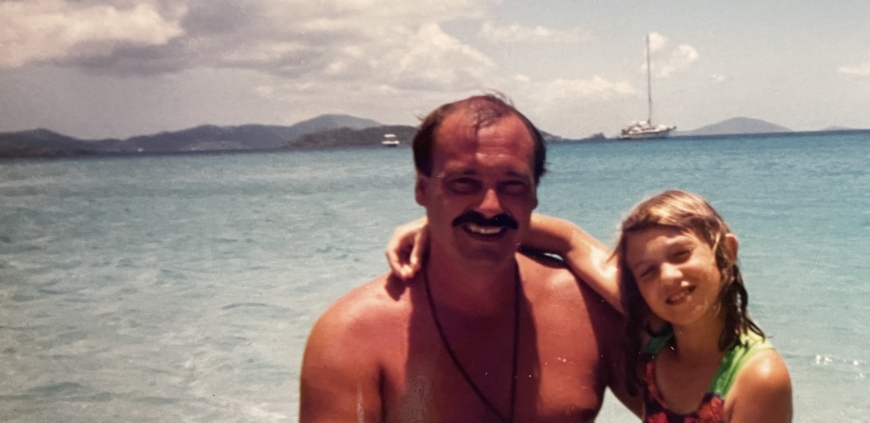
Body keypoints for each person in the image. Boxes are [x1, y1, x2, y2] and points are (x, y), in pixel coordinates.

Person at [300, 94, 638, 423]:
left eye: (512, 185)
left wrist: (567, 237)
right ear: (422, 189)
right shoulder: (353, 336)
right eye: (464, 183)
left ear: (534, 194)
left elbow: (685, 409)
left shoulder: (586, 308)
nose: (490, 206)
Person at [388, 190, 793, 422]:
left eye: (682, 254)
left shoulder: (756, 376)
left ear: (727, 251)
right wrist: (451, 227)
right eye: (647, 271)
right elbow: (568, 242)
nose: (668, 277)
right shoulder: (656, 331)